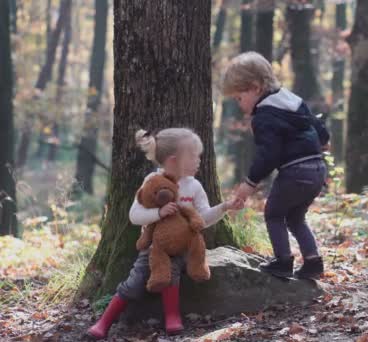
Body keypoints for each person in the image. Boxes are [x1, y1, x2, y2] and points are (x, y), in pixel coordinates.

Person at [87, 128, 242, 339]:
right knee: (134, 283)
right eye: (194, 155)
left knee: (173, 273)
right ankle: (104, 322)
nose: (199, 160)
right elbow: (135, 215)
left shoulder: (194, 186)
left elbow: (202, 219)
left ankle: (172, 316)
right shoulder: (153, 181)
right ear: (173, 160)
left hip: (182, 246)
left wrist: (224, 207)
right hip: (154, 247)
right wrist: (159, 213)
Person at [222, 51, 329, 280]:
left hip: (296, 172)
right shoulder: (291, 99)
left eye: (239, 98)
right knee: (296, 216)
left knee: (273, 214)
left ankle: (283, 261)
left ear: (255, 87)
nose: (240, 105)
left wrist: (249, 183)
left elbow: (268, 154)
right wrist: (323, 140)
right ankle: (313, 262)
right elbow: (315, 123)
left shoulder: (264, 117)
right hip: (318, 170)